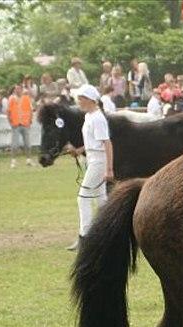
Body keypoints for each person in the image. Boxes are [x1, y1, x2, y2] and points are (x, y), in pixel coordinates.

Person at [65, 84, 113, 251]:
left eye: (81, 98)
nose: (78, 102)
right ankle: (109, 232)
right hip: (93, 158)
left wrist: (109, 169)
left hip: (98, 161)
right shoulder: (89, 117)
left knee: (83, 198)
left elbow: (107, 143)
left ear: (89, 100)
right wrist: (79, 151)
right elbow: (93, 142)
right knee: (101, 199)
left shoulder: (98, 118)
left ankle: (85, 237)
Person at [6, 84, 34, 168]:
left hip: (25, 123)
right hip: (16, 123)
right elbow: (8, 111)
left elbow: (30, 109)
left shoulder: (26, 98)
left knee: (28, 143)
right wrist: (10, 121)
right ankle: (13, 161)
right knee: (15, 144)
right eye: (16, 89)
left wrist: (30, 120)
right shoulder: (11, 99)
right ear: (14, 90)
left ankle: (28, 159)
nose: (18, 90)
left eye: (19, 89)